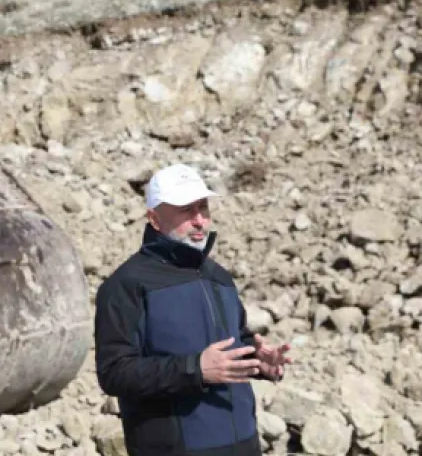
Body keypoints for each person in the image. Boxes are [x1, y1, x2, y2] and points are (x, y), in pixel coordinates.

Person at [94, 163, 293, 456]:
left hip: (244, 445)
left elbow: (232, 340)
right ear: (154, 219)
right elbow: (114, 372)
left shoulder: (219, 278)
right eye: (186, 211)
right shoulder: (126, 285)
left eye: (203, 208)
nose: (199, 221)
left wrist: (257, 360)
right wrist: (195, 369)